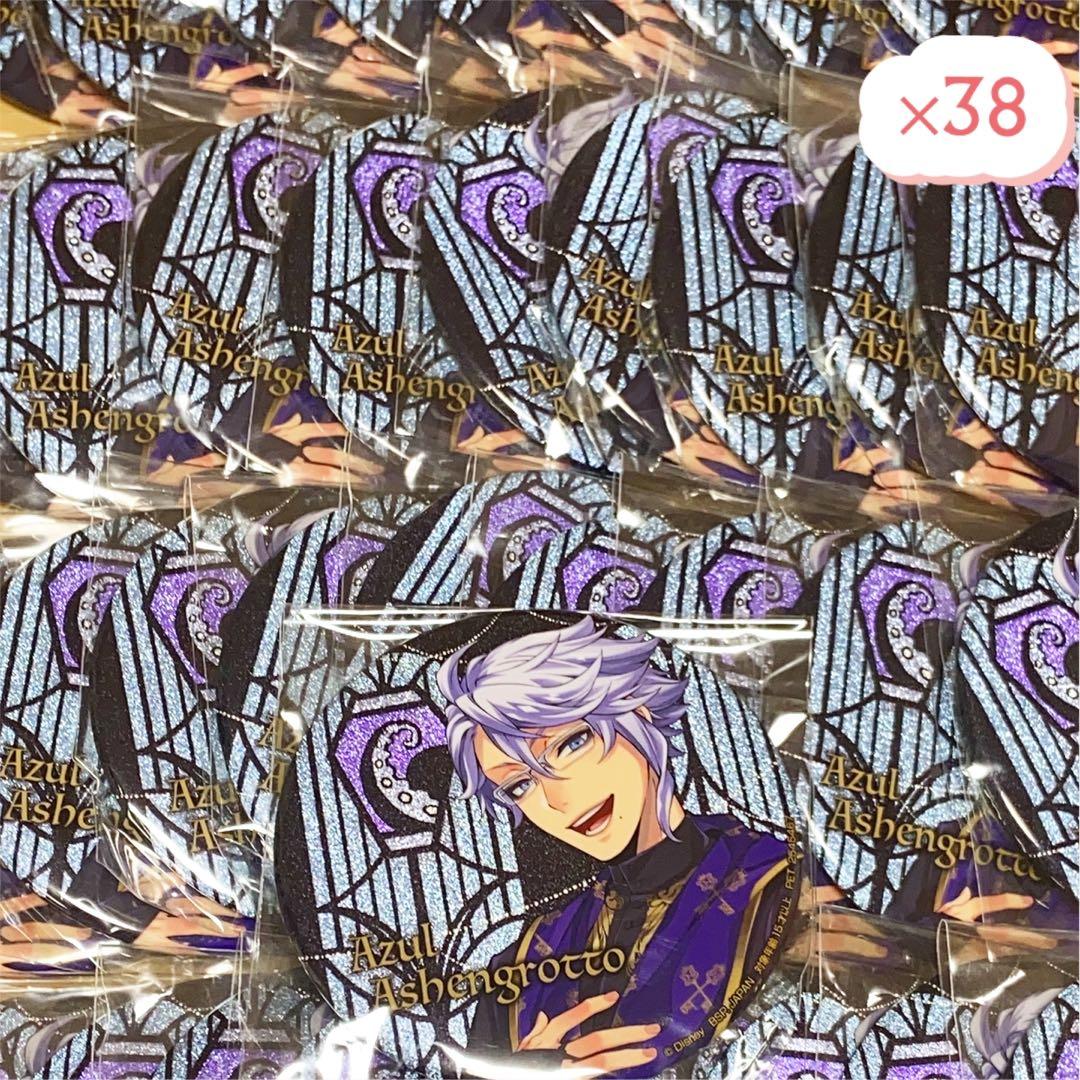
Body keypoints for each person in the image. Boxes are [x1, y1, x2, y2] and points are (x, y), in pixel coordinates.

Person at [439, 616, 795, 1078]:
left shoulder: (781, 889)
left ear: (637, 713)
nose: (558, 800)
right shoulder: (523, 964)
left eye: (571, 744)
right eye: (520, 785)